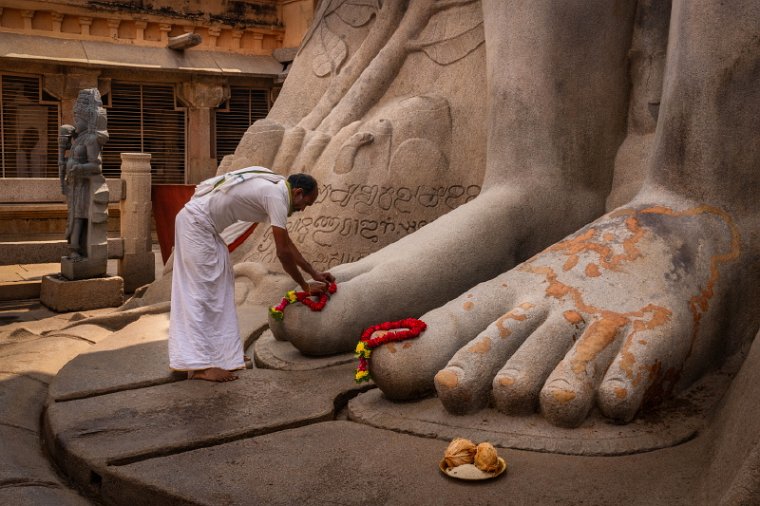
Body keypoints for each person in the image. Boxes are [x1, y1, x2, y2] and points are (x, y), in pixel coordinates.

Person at [168, 167, 335, 382]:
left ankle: (222, 355)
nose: (303, 210)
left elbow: (288, 245)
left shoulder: (277, 190)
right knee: (200, 293)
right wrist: (305, 285)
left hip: (203, 228)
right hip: (195, 225)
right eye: (306, 203)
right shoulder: (276, 195)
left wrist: (314, 273)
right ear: (298, 192)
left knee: (219, 290)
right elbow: (283, 253)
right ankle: (199, 366)